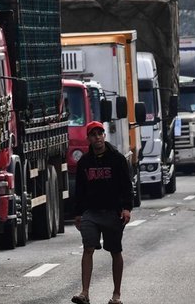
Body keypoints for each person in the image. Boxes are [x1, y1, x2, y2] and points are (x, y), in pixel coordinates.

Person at [72, 121, 133, 304]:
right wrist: (78, 213)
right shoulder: (85, 162)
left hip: (113, 212)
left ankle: (116, 295)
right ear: (88, 138)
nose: (97, 137)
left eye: (100, 134)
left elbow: (126, 186)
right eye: (93, 134)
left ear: (104, 136)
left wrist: (127, 208)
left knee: (115, 250)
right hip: (91, 213)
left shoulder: (117, 159)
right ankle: (84, 293)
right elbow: (80, 190)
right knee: (88, 248)